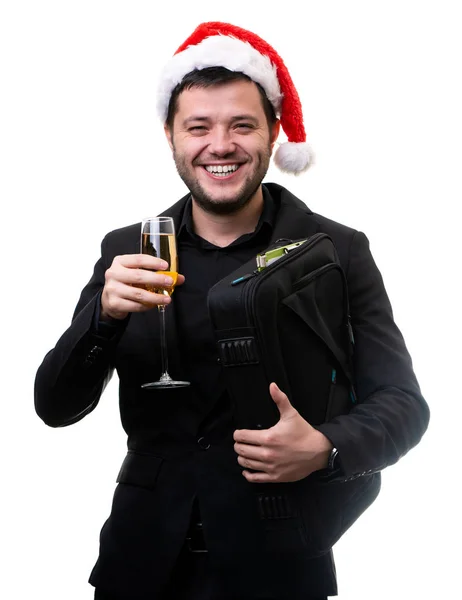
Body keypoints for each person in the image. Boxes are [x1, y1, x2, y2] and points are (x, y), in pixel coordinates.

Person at [34, 21, 430, 600]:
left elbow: (402, 404)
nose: (220, 145)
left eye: (241, 125)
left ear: (273, 133)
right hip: (139, 565)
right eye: (199, 127)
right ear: (170, 135)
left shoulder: (338, 250)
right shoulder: (126, 250)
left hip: (282, 566)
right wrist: (104, 317)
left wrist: (326, 447)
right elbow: (55, 405)